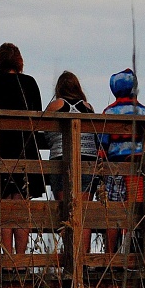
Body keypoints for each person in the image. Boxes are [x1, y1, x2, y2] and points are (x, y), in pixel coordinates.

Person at [0, 43, 44, 259]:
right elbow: (37, 113)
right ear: (18, 61)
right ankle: (21, 257)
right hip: (25, 146)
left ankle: (6, 256)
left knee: (4, 202)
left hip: (0, 147)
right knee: (22, 202)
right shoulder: (29, 83)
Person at [100, 68, 145, 254]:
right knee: (142, 209)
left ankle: (110, 254)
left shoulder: (109, 112)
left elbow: (102, 145)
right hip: (141, 171)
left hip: (116, 170)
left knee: (114, 211)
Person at [44, 70, 97, 200]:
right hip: (87, 158)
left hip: (61, 156)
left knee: (64, 207)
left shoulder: (55, 105)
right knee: (84, 209)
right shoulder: (88, 107)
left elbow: (45, 130)